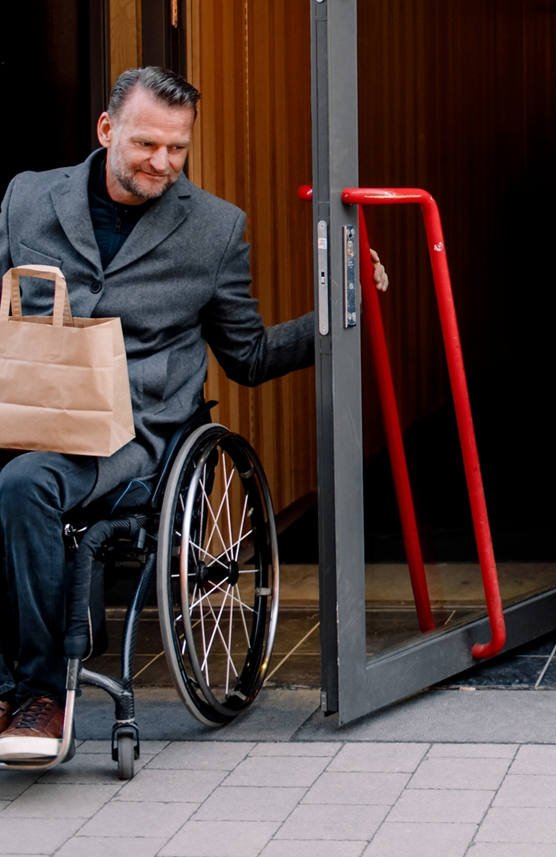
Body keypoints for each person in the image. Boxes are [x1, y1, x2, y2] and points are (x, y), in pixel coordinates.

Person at [0, 67, 381, 761]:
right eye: (148, 144)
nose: (163, 163)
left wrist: (340, 310)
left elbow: (249, 355)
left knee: (25, 485)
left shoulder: (213, 229)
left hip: (133, 432)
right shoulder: (28, 199)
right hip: (31, 403)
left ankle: (39, 691)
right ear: (107, 130)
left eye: (178, 149)